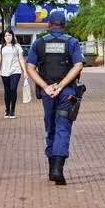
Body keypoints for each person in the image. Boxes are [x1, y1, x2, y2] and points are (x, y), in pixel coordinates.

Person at [26, 11, 85, 185]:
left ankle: (52, 169)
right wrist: (61, 86)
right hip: (66, 93)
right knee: (63, 129)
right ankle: (58, 169)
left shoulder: (39, 43)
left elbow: (30, 68)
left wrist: (46, 87)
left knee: (50, 127)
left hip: (47, 94)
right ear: (64, 24)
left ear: (49, 25)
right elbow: (78, 65)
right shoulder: (72, 43)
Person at [0, 29, 28, 118]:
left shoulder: (17, 46)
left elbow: (21, 59)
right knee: (7, 91)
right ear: (4, 37)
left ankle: (13, 110)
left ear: (12, 36)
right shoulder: (1, 47)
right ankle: (7, 110)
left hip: (15, 71)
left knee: (13, 89)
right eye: (6, 36)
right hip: (4, 71)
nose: (8, 37)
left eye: (9, 35)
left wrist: (25, 71)